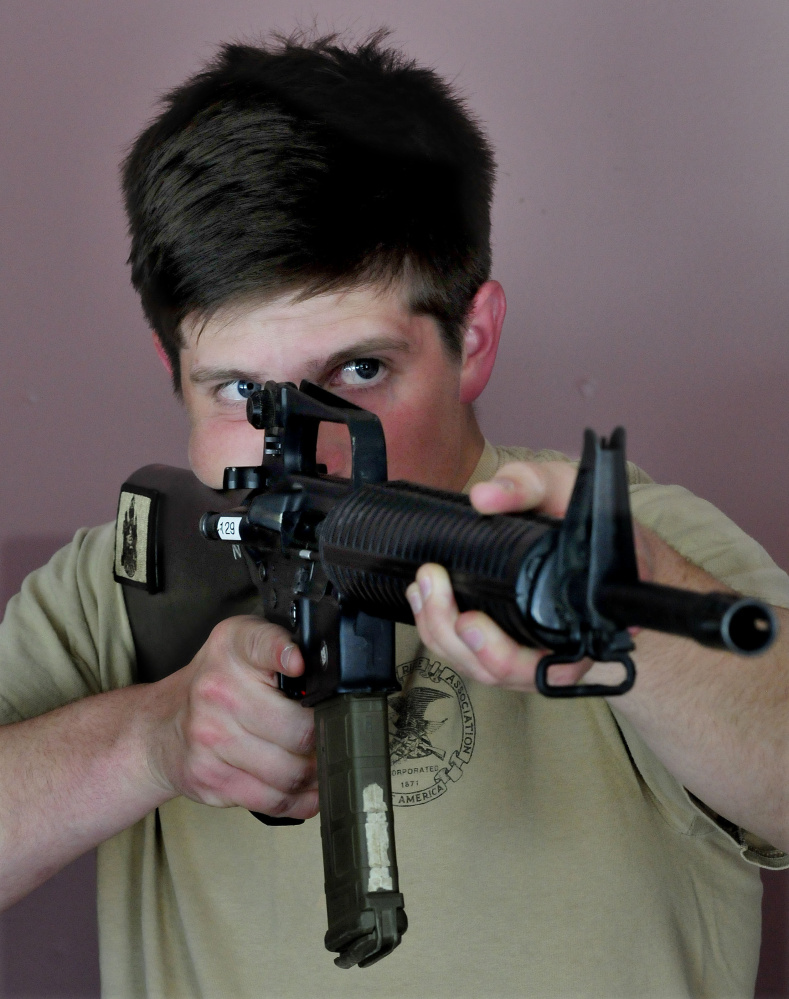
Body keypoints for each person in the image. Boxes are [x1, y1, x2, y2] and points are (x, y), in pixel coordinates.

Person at [0, 29, 787, 998]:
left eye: (360, 372)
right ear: (172, 372)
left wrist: (645, 621)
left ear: (476, 338)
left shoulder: (642, 544)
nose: (310, 447)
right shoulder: (122, 581)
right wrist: (148, 740)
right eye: (244, 396)